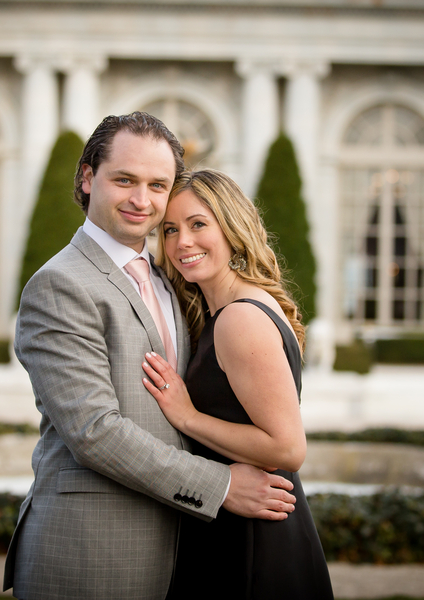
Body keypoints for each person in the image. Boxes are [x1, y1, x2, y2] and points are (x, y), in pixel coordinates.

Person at [2, 113, 298, 600]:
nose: (142, 200)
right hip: (93, 552)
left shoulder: (168, 280)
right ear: (86, 177)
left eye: (158, 185)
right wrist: (220, 484)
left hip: (186, 547)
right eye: (125, 180)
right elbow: (93, 432)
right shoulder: (59, 285)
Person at [141, 168, 334, 599]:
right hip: (240, 520)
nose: (181, 242)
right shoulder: (225, 310)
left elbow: (288, 448)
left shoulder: (239, 318)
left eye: (198, 224)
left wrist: (187, 417)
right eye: (170, 229)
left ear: (231, 227)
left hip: (252, 537)